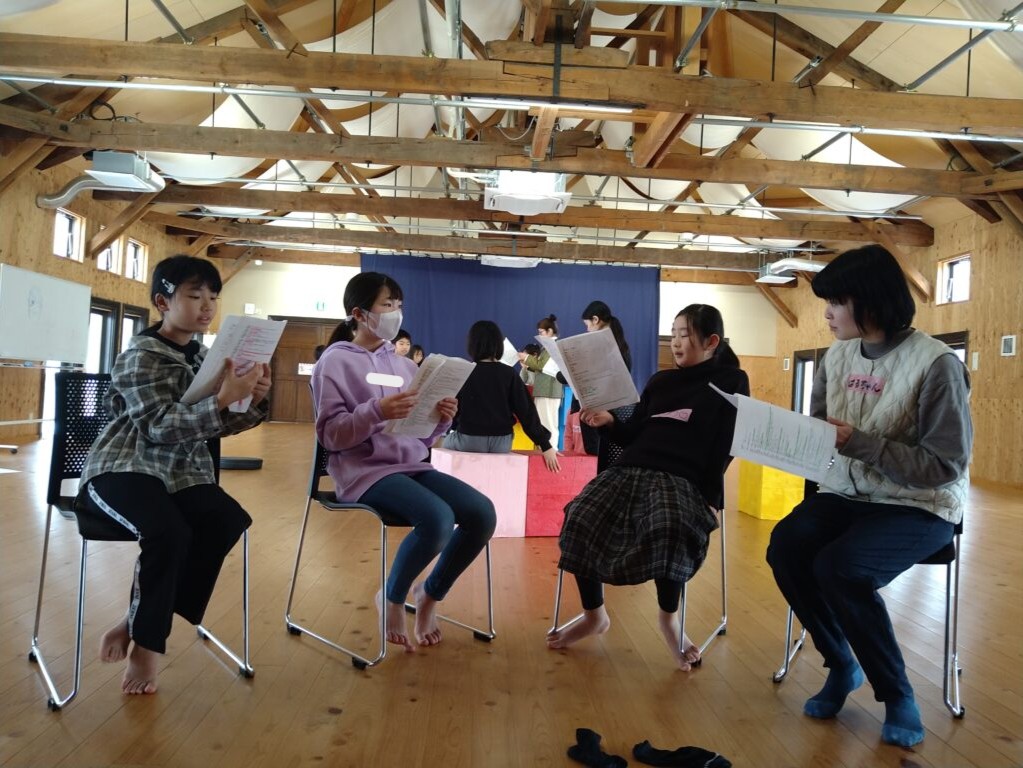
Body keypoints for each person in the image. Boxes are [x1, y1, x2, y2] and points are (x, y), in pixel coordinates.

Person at [766, 245, 972, 748]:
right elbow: (821, 432)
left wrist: (858, 443)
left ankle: (897, 693)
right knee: (786, 546)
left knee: (841, 567)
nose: (827, 313)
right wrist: (783, 441)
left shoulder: (937, 364)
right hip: (846, 493)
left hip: (921, 505)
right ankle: (842, 663)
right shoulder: (836, 357)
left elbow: (944, 466)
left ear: (871, 300)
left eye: (837, 301)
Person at [77, 255, 271, 696]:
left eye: (213, 297)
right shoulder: (139, 356)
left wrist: (252, 399)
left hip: (181, 472)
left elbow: (217, 426)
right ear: (163, 302)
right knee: (169, 533)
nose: (207, 305)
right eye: (194, 295)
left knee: (227, 519)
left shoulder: (208, 357)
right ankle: (147, 645)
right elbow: (158, 427)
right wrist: (220, 400)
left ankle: (135, 621)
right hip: (125, 465)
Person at [547, 304, 748, 670]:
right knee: (580, 516)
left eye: (685, 334)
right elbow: (633, 433)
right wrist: (609, 422)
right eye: (674, 333)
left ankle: (669, 620)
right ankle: (594, 615)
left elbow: (727, 443)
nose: (676, 342)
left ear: (711, 341)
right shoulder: (660, 381)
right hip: (631, 467)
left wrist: (711, 497)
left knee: (670, 527)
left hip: (682, 477)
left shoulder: (732, 381)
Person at [313, 272, 496, 650]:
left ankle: (429, 594)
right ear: (359, 314)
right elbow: (330, 435)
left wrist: (441, 419)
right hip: (362, 471)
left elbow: (420, 439)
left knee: (482, 513)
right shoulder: (334, 362)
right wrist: (376, 411)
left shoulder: (405, 366)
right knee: (437, 518)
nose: (396, 313)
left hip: (411, 466)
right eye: (387, 305)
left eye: (399, 305)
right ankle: (392, 596)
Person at [445, 320, 560, 472]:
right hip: (502, 442)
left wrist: (455, 427)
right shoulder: (509, 373)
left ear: (472, 345)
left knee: (444, 441)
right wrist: (545, 445)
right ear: (499, 345)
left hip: (469, 440)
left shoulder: (464, 372)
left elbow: (454, 411)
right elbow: (527, 412)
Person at [575, 300, 632, 459]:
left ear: (595, 319)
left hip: (601, 411)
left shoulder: (603, 346)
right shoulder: (620, 345)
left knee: (597, 455)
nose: (587, 330)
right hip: (609, 410)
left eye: (587, 325)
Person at [518, 314, 564, 449]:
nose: (539, 335)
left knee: (548, 423)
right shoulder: (548, 347)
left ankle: (551, 450)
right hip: (545, 390)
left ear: (550, 331)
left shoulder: (552, 346)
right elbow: (541, 368)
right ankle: (546, 450)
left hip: (549, 391)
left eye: (541, 332)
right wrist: (527, 365)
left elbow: (541, 366)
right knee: (544, 422)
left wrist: (526, 358)